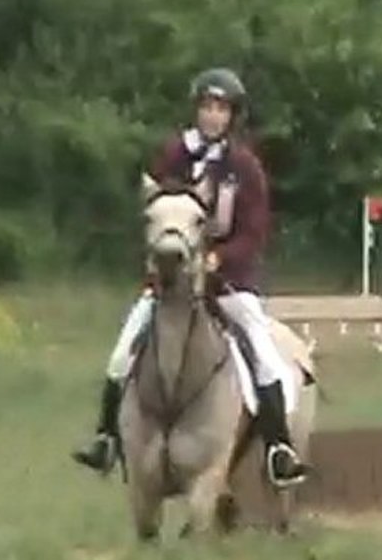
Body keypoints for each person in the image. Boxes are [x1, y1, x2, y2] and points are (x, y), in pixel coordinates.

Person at [72, 66, 310, 488]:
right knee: (123, 349)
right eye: (206, 106)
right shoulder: (174, 156)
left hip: (230, 281)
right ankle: (107, 437)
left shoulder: (244, 167)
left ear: (232, 116)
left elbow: (255, 231)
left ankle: (278, 447)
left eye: (220, 109)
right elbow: (158, 212)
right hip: (171, 283)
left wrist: (219, 259)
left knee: (262, 350)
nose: (212, 116)